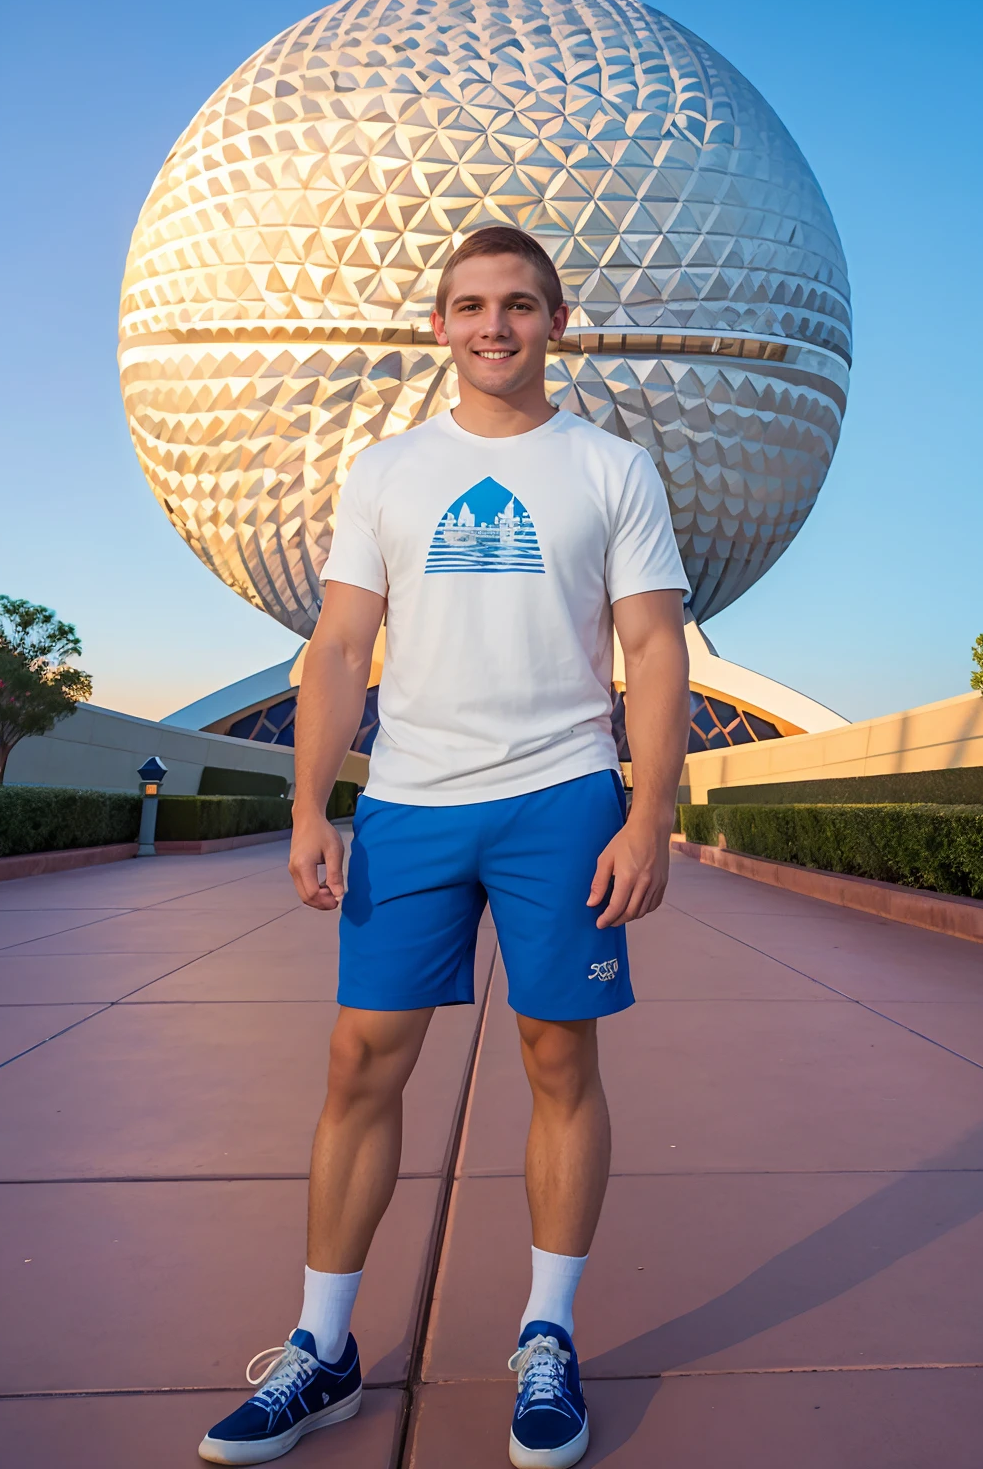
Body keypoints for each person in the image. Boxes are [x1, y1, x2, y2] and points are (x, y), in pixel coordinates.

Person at [199, 226, 691, 1467]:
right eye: (470, 305)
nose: (493, 326)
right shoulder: (385, 471)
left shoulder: (611, 469)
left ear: (557, 323)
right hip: (412, 801)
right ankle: (323, 1349)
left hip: (563, 796)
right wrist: (313, 805)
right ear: (438, 324)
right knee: (361, 1063)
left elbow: (653, 651)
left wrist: (647, 814)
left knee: (555, 1059)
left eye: (519, 305)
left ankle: (545, 1336)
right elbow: (341, 649)